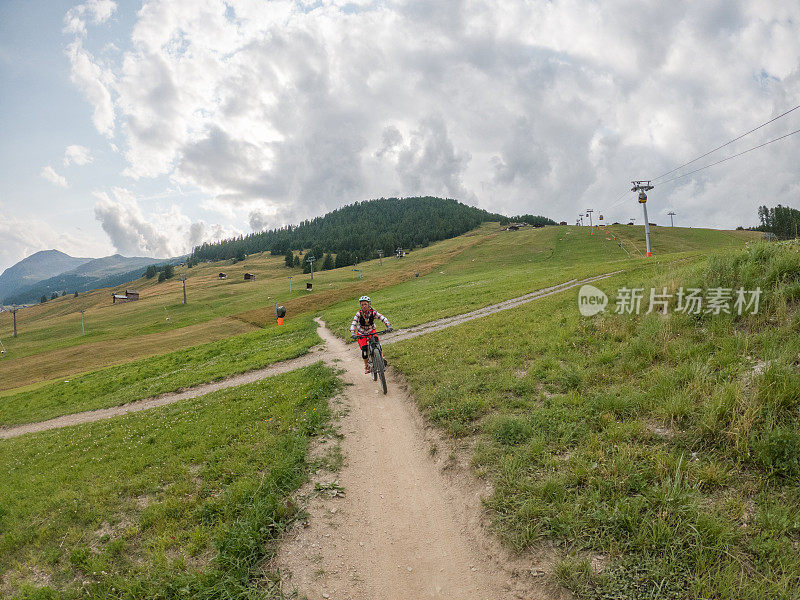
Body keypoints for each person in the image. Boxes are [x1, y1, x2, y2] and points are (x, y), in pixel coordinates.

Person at [349, 296, 392, 373]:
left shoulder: (373, 312)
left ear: (369, 304)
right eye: (362, 305)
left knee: (376, 342)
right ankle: (366, 366)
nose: (364, 306)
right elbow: (354, 323)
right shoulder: (358, 314)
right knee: (364, 350)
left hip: (371, 331)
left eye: (365, 304)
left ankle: (381, 358)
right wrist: (352, 332)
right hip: (361, 333)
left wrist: (388, 325)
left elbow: (382, 317)